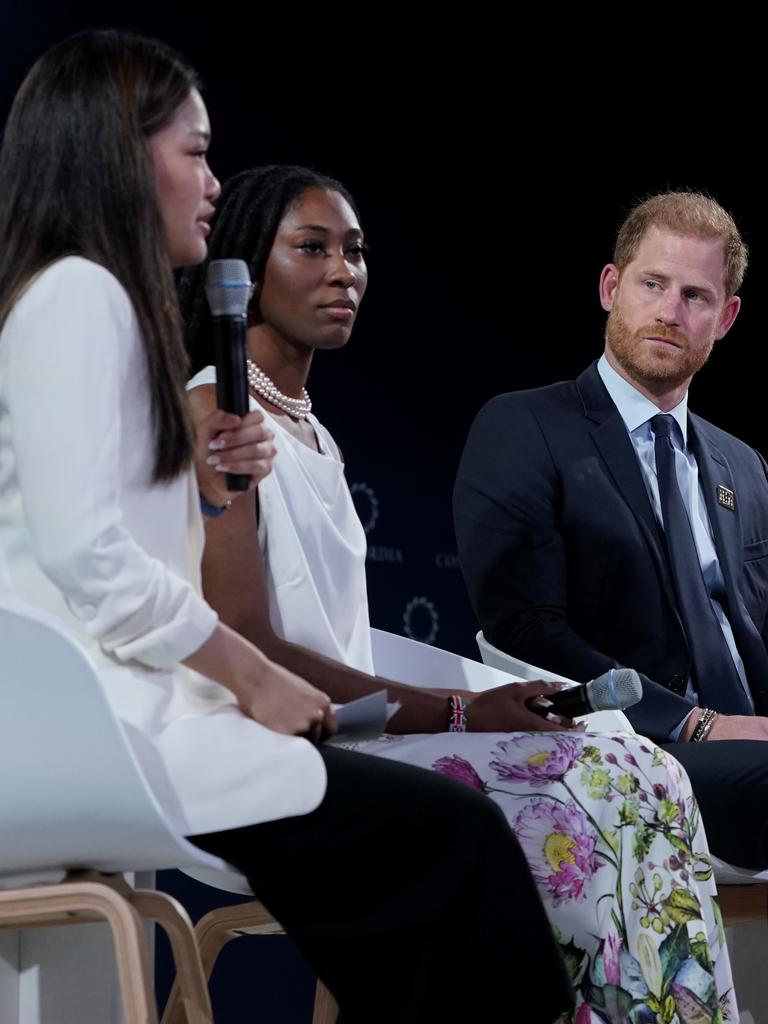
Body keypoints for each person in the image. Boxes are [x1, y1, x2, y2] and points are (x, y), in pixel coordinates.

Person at [0, 31, 576, 1024]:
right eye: (194, 152)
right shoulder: (80, 292)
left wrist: (198, 473)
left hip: (126, 718)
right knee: (453, 837)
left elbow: (101, 531)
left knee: (442, 838)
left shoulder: (94, 308)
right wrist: (254, 672)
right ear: (122, 156)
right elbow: (82, 557)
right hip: (101, 729)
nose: (213, 182)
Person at [181, 166, 737, 1023]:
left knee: (643, 766)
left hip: (358, 733)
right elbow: (249, 646)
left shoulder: (310, 428)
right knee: (609, 785)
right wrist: (460, 713)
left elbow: (338, 649)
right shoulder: (219, 413)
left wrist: (472, 705)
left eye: (357, 252)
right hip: (276, 750)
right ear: (246, 268)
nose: (345, 272)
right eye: (313, 248)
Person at [454, 189, 768, 875]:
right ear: (610, 286)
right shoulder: (527, 427)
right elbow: (524, 628)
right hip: (628, 749)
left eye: (695, 296)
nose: (669, 312)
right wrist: (697, 723)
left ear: (726, 318)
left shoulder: (742, 467)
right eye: (653, 284)